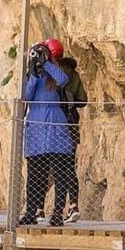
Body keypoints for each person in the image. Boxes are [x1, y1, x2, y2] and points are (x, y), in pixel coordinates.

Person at [18, 43, 73, 227]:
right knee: (35, 174)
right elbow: (26, 96)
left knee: (60, 172)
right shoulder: (31, 75)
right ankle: (31, 211)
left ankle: (58, 212)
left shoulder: (55, 73)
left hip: (55, 125)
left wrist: (47, 64)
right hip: (36, 127)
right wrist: (33, 72)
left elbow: (63, 79)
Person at [41, 38, 87, 223]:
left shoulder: (47, 73)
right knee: (68, 167)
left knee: (46, 166)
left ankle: (39, 208)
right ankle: (73, 205)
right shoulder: (73, 74)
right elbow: (82, 100)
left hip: (51, 125)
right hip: (71, 124)